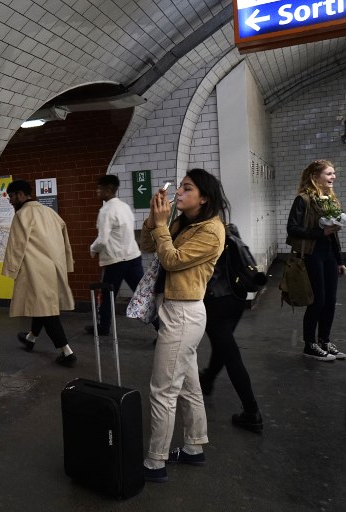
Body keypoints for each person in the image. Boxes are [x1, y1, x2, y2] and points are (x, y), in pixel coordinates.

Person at [139, 169, 226, 483]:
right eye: (180, 186)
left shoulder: (212, 230)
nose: (179, 192)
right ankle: (193, 447)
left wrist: (162, 226)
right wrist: (153, 219)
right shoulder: (182, 221)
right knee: (189, 387)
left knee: (162, 390)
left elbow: (173, 260)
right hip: (173, 309)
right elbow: (148, 246)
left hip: (184, 313)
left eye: (187, 188)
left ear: (203, 197)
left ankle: (155, 461)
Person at [2, 179, 77, 367]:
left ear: (20, 195)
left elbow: (17, 245)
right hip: (54, 268)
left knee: (47, 311)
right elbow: (65, 240)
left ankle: (66, 352)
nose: (10, 201)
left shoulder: (22, 215)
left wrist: (11, 269)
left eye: (11, 196)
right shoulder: (50, 213)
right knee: (42, 305)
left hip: (36, 270)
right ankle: (31, 338)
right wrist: (67, 264)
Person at [200, 223, 263, 433]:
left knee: (229, 352)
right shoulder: (227, 228)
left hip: (216, 300)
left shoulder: (200, 233)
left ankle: (251, 411)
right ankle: (208, 379)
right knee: (223, 344)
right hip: (237, 298)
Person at [286, 159, 346, 362]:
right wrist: (321, 231)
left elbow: (333, 235)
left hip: (328, 255)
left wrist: (339, 260)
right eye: (329, 174)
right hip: (311, 255)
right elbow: (292, 229)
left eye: (333, 173)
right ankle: (309, 345)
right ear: (315, 177)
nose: (333, 177)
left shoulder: (329, 199)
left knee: (330, 300)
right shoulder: (303, 200)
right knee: (317, 300)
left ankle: (324, 341)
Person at [87, 175, 157, 336]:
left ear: (108, 189)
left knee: (106, 295)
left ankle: (104, 327)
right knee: (141, 295)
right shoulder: (124, 207)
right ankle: (161, 328)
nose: (97, 191)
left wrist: (92, 249)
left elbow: (103, 239)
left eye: (100, 188)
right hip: (133, 257)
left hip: (116, 261)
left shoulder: (106, 210)